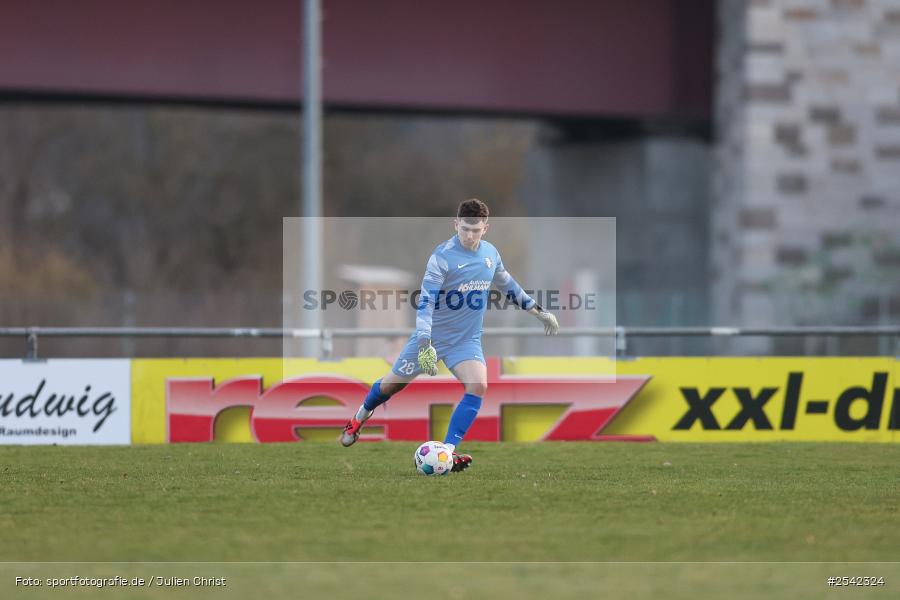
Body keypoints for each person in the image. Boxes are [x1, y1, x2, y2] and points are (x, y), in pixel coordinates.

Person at [340, 198, 559, 471]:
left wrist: (539, 312)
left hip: (466, 341)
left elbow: (509, 287)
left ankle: (447, 452)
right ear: (455, 224)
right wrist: (424, 343)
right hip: (432, 339)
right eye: (464, 228)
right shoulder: (442, 257)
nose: (469, 235)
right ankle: (358, 419)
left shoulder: (491, 254)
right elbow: (426, 302)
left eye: (475, 230)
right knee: (389, 387)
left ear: (485, 229)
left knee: (478, 385)